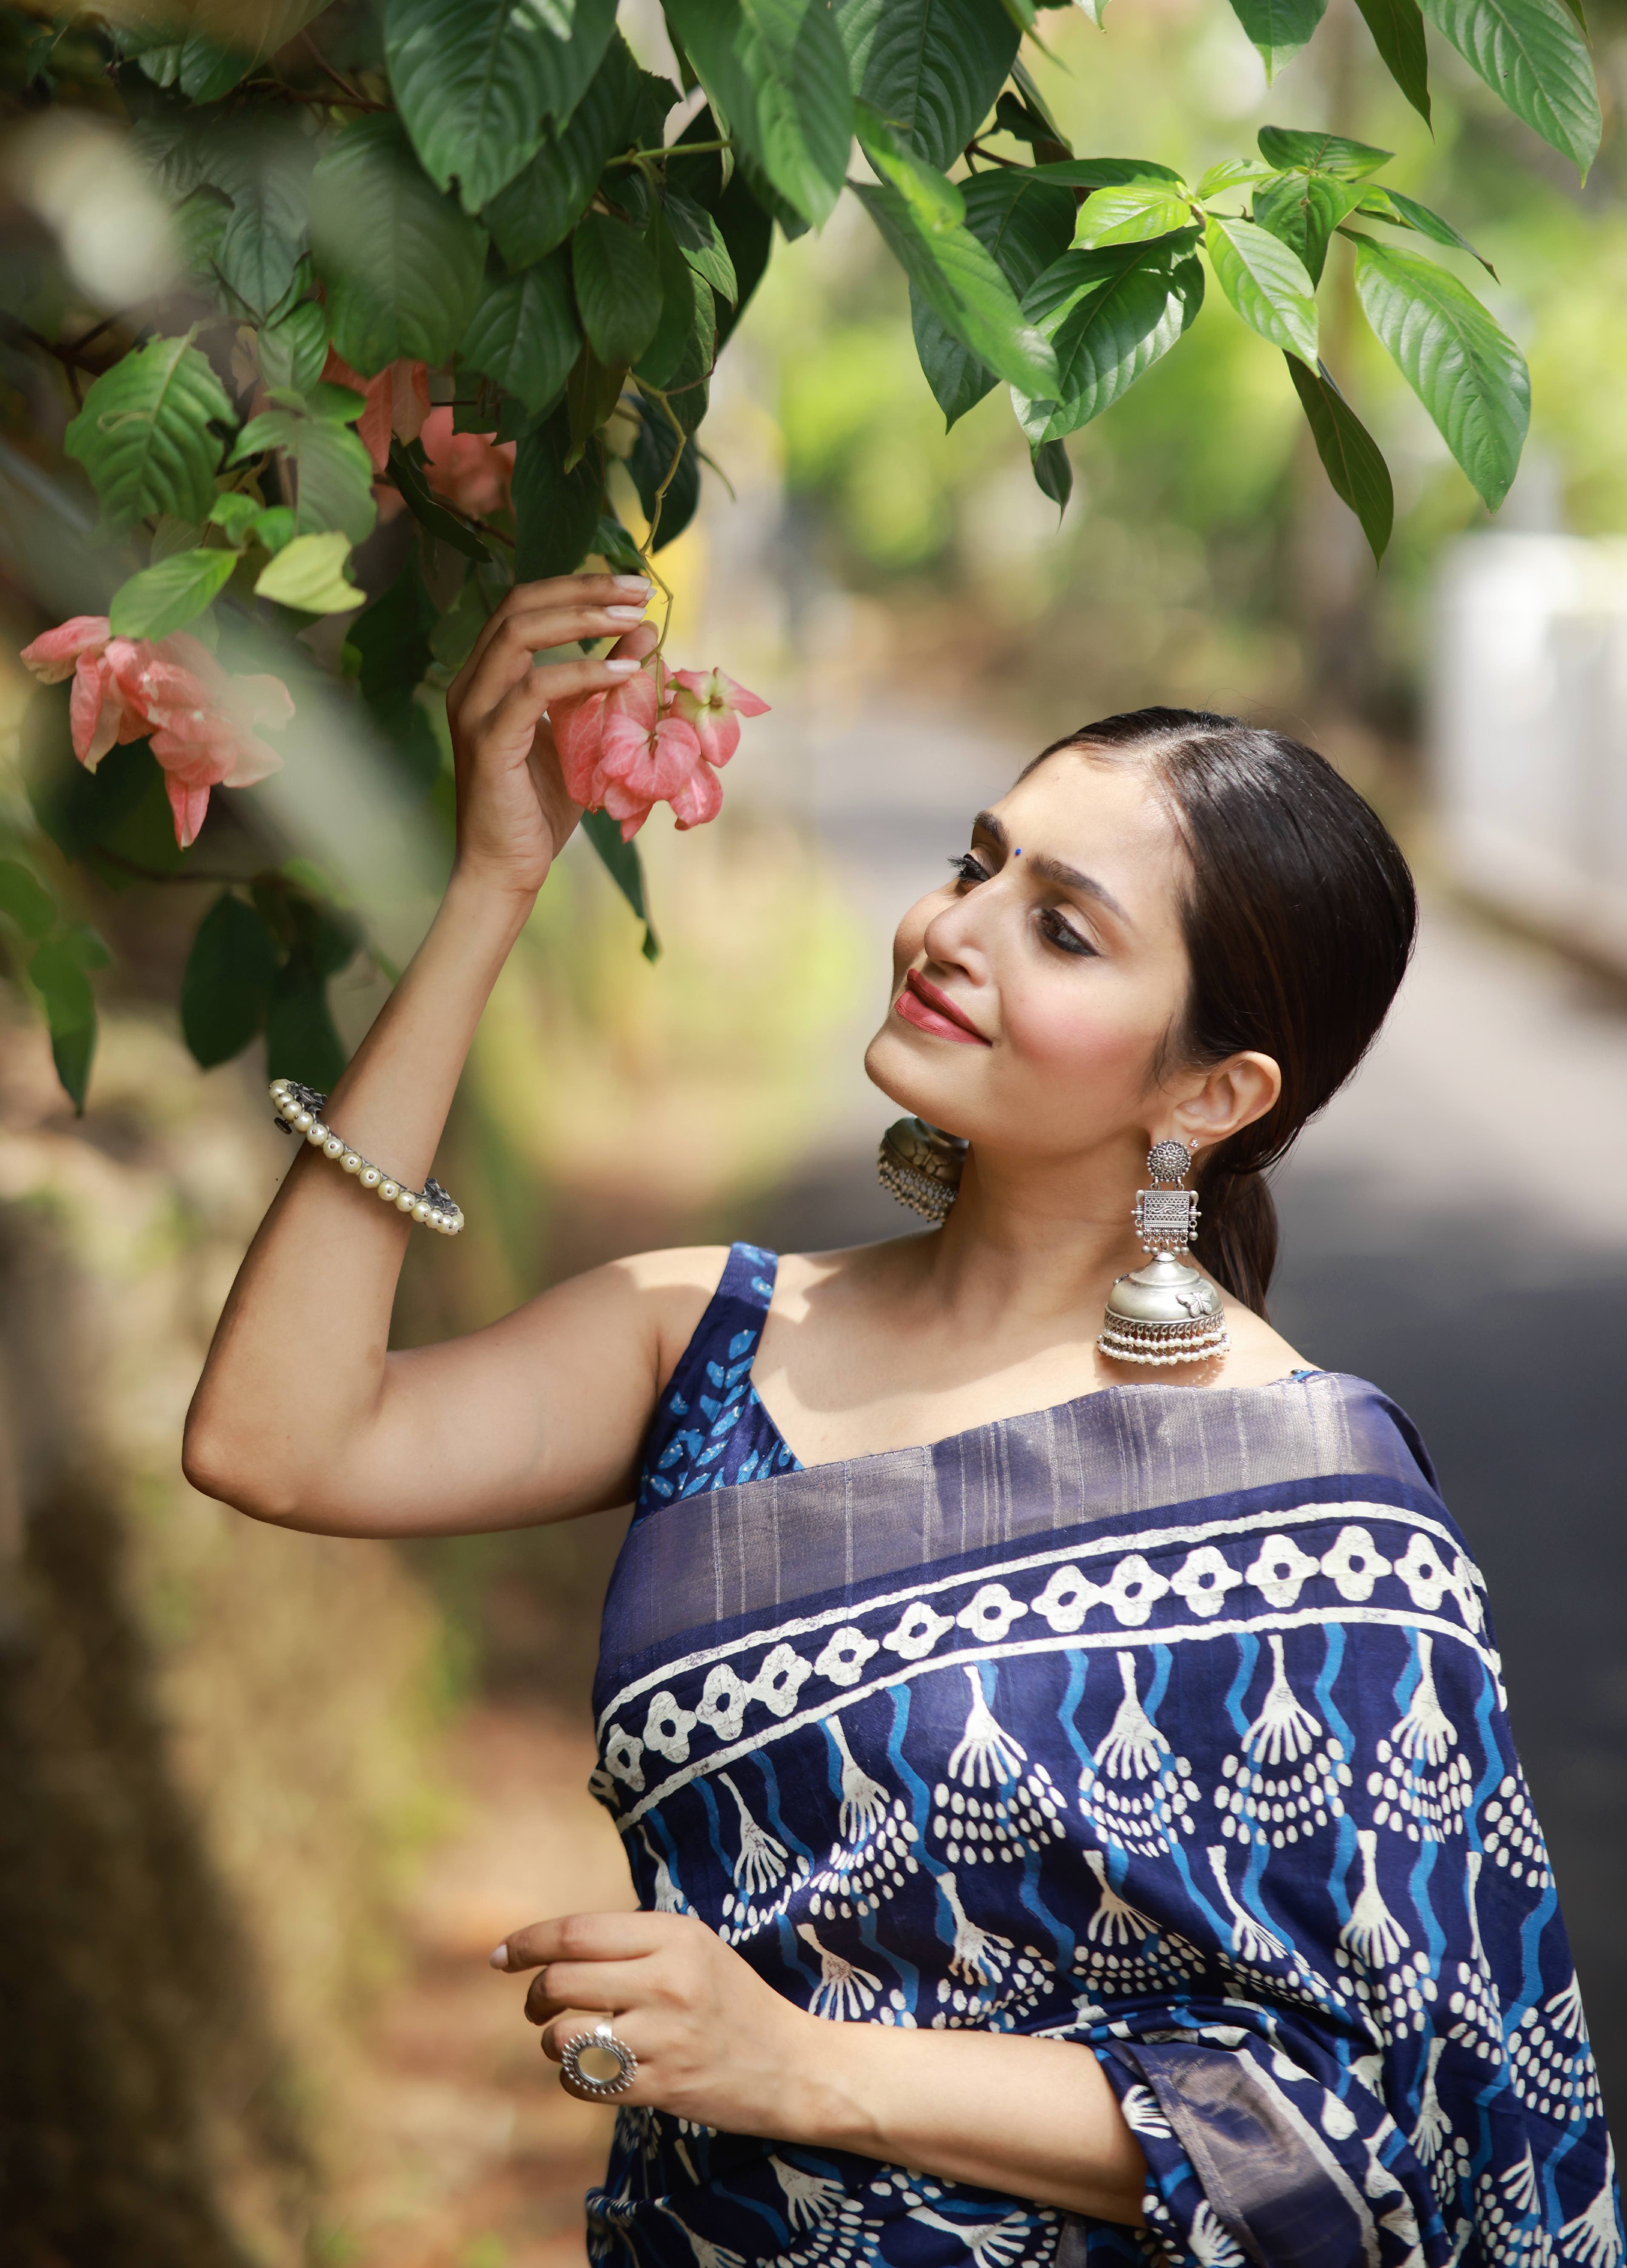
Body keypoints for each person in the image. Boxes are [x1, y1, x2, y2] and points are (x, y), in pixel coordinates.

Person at [186, 573, 1618, 2268]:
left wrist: (798, 2067)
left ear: (1208, 1095)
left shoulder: (1316, 1507)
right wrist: (495, 881)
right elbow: (272, 1443)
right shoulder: (705, 1341)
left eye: (1062, 928)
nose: (951, 927)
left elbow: (1371, 2131)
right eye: (975, 863)